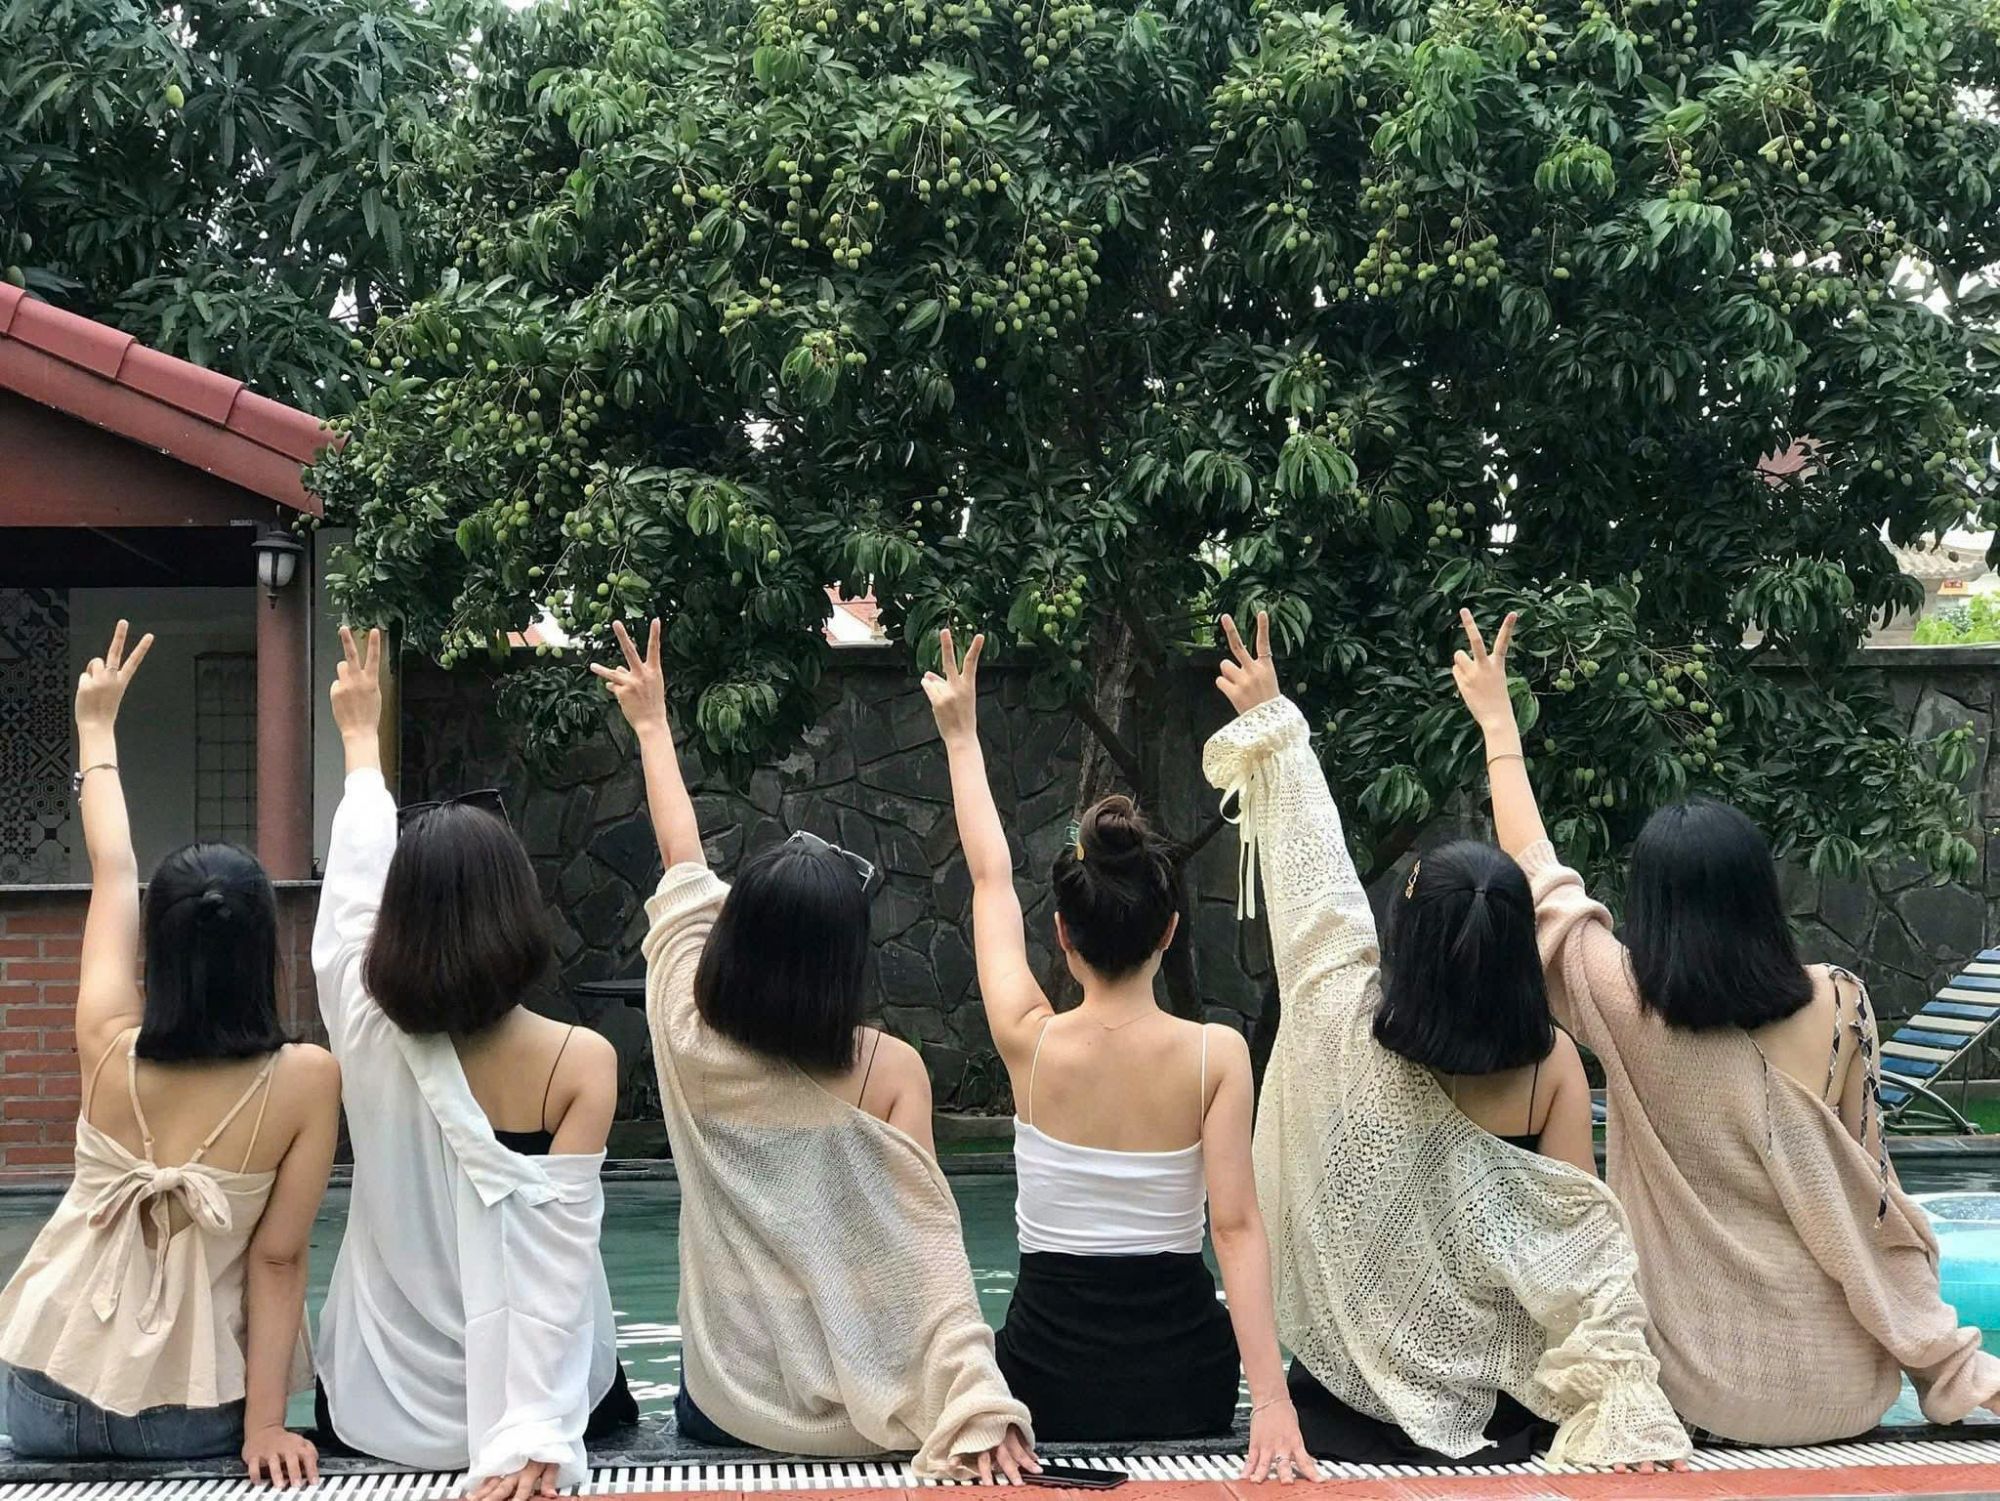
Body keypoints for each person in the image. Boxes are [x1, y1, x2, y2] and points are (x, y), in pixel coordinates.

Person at [1453, 607, 2000, 1443]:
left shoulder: (1626, 1007)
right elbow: (1872, 1191)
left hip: (1703, 1392)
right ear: (1760, 897)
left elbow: (1541, 877)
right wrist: (1941, 1358)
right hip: (1845, 1387)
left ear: (1651, 908)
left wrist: (1499, 725)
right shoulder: (1841, 999)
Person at [1204, 612, 1690, 1470]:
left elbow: (1313, 874)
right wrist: (1620, 1392)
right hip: (1498, 1418)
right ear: (1517, 954)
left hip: (1338, 1411)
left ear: (1407, 935)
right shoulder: (1549, 1067)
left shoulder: (1337, 1016)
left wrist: (1277, 724)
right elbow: (1574, 1252)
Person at [594, 619, 1036, 1482]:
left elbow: (680, 855)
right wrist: (976, 1396)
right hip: (863, 1413)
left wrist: (651, 722)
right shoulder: (888, 1071)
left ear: (733, 940)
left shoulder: (684, 1028)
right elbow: (931, 1259)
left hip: (726, 1406)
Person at [923, 629, 1317, 1480]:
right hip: (1188, 1383)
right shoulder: (1216, 1057)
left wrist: (961, 737)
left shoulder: (1028, 1043)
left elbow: (989, 878)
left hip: (1046, 1386)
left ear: (1063, 934)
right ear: (1170, 930)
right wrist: (1272, 1401)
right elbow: (1236, 1227)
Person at [0, 621, 338, 1483]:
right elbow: (276, 1259)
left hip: (39, 1396)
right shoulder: (304, 1081)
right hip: (185, 1416)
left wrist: (96, 729)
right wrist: (266, 1426)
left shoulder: (106, 1046)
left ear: (161, 945)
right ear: (263, 951)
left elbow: (114, 869)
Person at [313, 626, 634, 1501]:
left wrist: (360, 744)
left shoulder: (359, 1017)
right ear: (518, 911)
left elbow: (350, 893)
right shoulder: (580, 1062)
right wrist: (535, 1428)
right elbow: (560, 1263)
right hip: (554, 1401)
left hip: (381, 1404)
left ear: (398, 919)